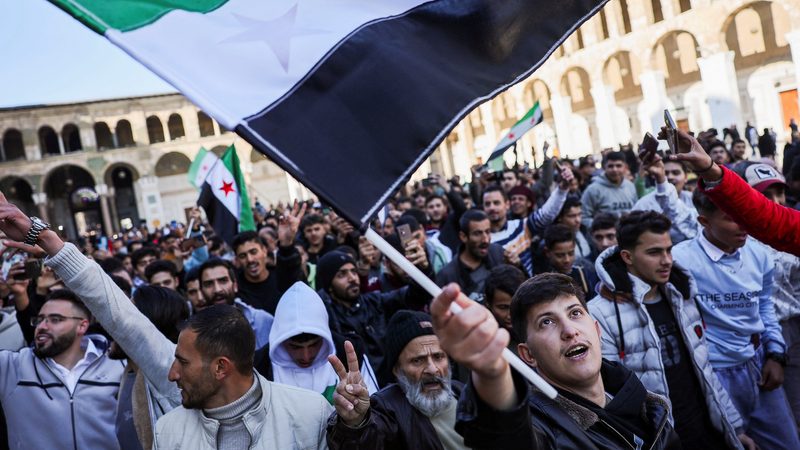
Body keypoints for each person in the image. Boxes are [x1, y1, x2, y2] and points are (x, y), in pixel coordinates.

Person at [431, 275, 680, 449]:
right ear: (527, 355)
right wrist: (491, 373)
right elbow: (506, 436)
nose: (569, 330)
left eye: (574, 313)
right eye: (546, 322)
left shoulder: (648, 405)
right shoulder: (542, 431)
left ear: (596, 330)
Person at [588, 211, 753, 450]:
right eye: (654, 252)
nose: (666, 260)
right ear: (627, 256)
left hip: (708, 434)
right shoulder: (601, 314)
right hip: (661, 440)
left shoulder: (681, 296)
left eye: (669, 250)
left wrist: (735, 428)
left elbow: (705, 371)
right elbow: (609, 396)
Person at [672, 190, 799, 450]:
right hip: (715, 374)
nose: (743, 226)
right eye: (731, 219)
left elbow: (764, 306)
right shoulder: (681, 260)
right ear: (704, 222)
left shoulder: (759, 254)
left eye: (744, 216)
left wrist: (775, 353)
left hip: (758, 365)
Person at [156, 304, 332, 449]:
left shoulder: (311, 414)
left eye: (183, 362)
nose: (173, 374)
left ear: (220, 367)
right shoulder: (166, 433)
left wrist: (355, 424)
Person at [0, 289, 124, 450]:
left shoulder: (117, 366)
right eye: (40, 319)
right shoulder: (12, 367)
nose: (42, 326)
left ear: (82, 326)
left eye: (55, 320)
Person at [326, 311, 467, 450]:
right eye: (418, 360)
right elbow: (367, 442)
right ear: (397, 369)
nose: (432, 369)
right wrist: (355, 423)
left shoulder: (463, 392)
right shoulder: (385, 408)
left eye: (438, 357)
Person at [316, 251, 429, 383]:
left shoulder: (375, 302)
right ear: (329, 285)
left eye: (353, 271)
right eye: (342, 275)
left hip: (389, 386)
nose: (352, 278)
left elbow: (415, 296)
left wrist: (423, 269)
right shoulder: (325, 317)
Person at [261, 282, 378, 401]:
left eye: (314, 345)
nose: (306, 356)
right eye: (295, 347)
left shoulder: (349, 354)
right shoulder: (261, 366)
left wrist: (360, 413)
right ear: (280, 341)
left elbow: (376, 407)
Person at [483, 165, 573, 275]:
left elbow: (546, 215)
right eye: (487, 204)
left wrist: (562, 189)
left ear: (507, 204)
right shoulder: (482, 240)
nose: (492, 207)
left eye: (496, 203)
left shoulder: (521, 226)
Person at [231, 202, 305, 314]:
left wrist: (286, 244)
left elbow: (291, 273)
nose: (250, 259)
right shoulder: (236, 291)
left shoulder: (281, 277)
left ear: (264, 251)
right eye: (243, 256)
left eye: (253, 252)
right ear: (237, 260)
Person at [198, 258, 274, 349]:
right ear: (202, 291)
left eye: (223, 281)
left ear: (235, 286)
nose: (217, 289)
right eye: (209, 284)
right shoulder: (196, 332)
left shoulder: (261, 321)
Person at [435, 210, 505, 304]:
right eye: (477, 233)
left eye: (487, 232)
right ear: (463, 236)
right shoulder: (447, 276)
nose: (485, 240)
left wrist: (518, 265)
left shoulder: (498, 253)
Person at [633, 153, 698, 244]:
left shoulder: (695, 199)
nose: (670, 177)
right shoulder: (644, 204)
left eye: (676, 173)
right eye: (665, 173)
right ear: (655, 175)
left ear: (686, 177)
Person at [536, 224, 597, 298]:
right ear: (547, 252)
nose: (567, 260)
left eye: (571, 253)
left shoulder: (580, 272)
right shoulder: (542, 281)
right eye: (560, 255)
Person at [581, 151, 638, 229]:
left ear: (625, 167)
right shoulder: (593, 190)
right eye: (610, 166)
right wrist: (601, 228)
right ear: (604, 167)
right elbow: (583, 217)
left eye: (618, 166)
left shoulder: (630, 186)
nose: (614, 169)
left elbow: (636, 211)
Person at [483, 264, 526, 352]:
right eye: (503, 307)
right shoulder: (482, 341)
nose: (510, 315)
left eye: (516, 306)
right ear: (488, 304)